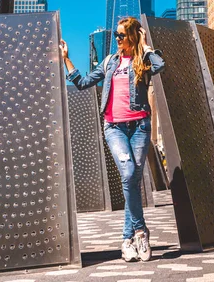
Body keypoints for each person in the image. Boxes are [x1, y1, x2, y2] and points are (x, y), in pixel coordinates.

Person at [60, 17, 165, 262]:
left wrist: (146, 46)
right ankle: (140, 231)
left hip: (139, 126)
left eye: (121, 35)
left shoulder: (142, 60)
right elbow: (83, 82)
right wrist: (66, 58)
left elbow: (160, 66)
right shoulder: (110, 62)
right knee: (129, 175)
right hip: (114, 128)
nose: (117, 39)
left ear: (132, 37)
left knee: (133, 182)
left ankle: (127, 240)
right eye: (116, 35)